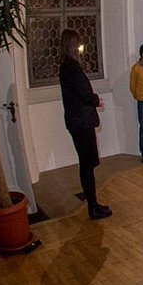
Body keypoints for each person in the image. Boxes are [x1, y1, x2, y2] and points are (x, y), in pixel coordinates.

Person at [60, 29, 110, 220]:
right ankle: (93, 207)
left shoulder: (67, 67)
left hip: (77, 121)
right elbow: (84, 94)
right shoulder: (71, 68)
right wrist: (97, 100)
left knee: (88, 164)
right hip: (80, 122)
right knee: (88, 165)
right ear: (73, 45)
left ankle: (94, 204)